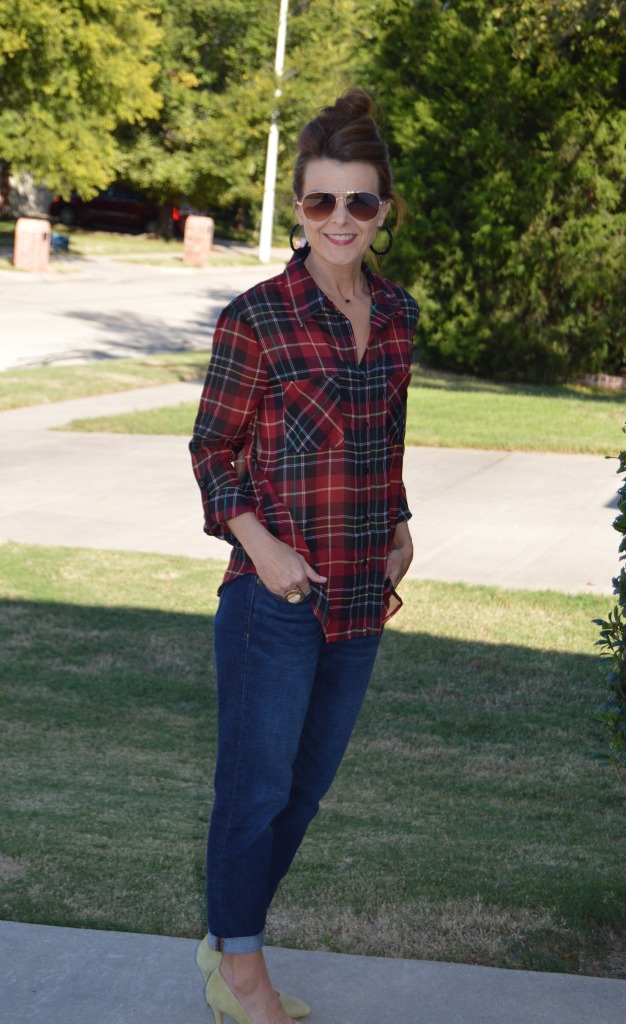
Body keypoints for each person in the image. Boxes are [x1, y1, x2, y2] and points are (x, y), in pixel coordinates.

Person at [189, 88, 418, 1024]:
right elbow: (212, 452)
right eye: (322, 202)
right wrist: (261, 543)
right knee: (254, 792)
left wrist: (400, 522)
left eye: (359, 202)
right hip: (271, 602)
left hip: (364, 595)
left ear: (383, 213)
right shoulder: (258, 319)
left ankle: (222, 936)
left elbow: (387, 436)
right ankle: (242, 974)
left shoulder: (398, 316)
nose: (340, 220)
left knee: (305, 793)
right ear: (298, 209)